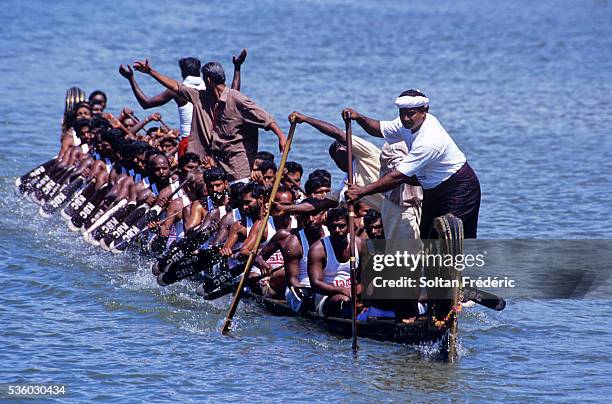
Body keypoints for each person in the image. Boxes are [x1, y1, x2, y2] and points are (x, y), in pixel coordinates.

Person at [343, 90, 481, 238]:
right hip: (432, 189)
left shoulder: (429, 141)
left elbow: (397, 177)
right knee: (427, 237)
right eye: (402, 113)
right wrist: (359, 118)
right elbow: (379, 129)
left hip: (458, 189)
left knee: (453, 239)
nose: (405, 118)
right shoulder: (407, 124)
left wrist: (362, 191)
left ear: (424, 111)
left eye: (411, 114)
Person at [132, 58, 287, 182]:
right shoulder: (201, 97)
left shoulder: (237, 99)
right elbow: (176, 86)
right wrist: (151, 72)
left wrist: (280, 135)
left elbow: (264, 117)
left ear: (207, 79)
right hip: (217, 161)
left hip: (238, 164)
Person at [119, 51, 247, 157]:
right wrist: (237, 68)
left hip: (190, 143)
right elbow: (234, 95)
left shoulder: (177, 91)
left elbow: (145, 103)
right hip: (214, 142)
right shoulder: (211, 89)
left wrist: (131, 79)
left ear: (182, 73)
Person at [289, 111, 384, 211]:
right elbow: (320, 204)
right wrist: (286, 208)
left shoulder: (367, 153)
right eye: (337, 160)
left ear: (351, 151)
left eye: (343, 156)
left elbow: (337, 133)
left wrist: (306, 119)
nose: (342, 163)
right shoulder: (347, 185)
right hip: (391, 214)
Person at [307, 207, 364, 317]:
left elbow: (365, 276)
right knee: (344, 301)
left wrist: (358, 290)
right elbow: (315, 284)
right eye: (333, 226)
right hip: (326, 297)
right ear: (327, 227)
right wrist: (342, 290)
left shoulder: (360, 244)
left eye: (341, 226)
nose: (337, 230)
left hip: (354, 295)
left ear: (349, 226)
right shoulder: (317, 249)